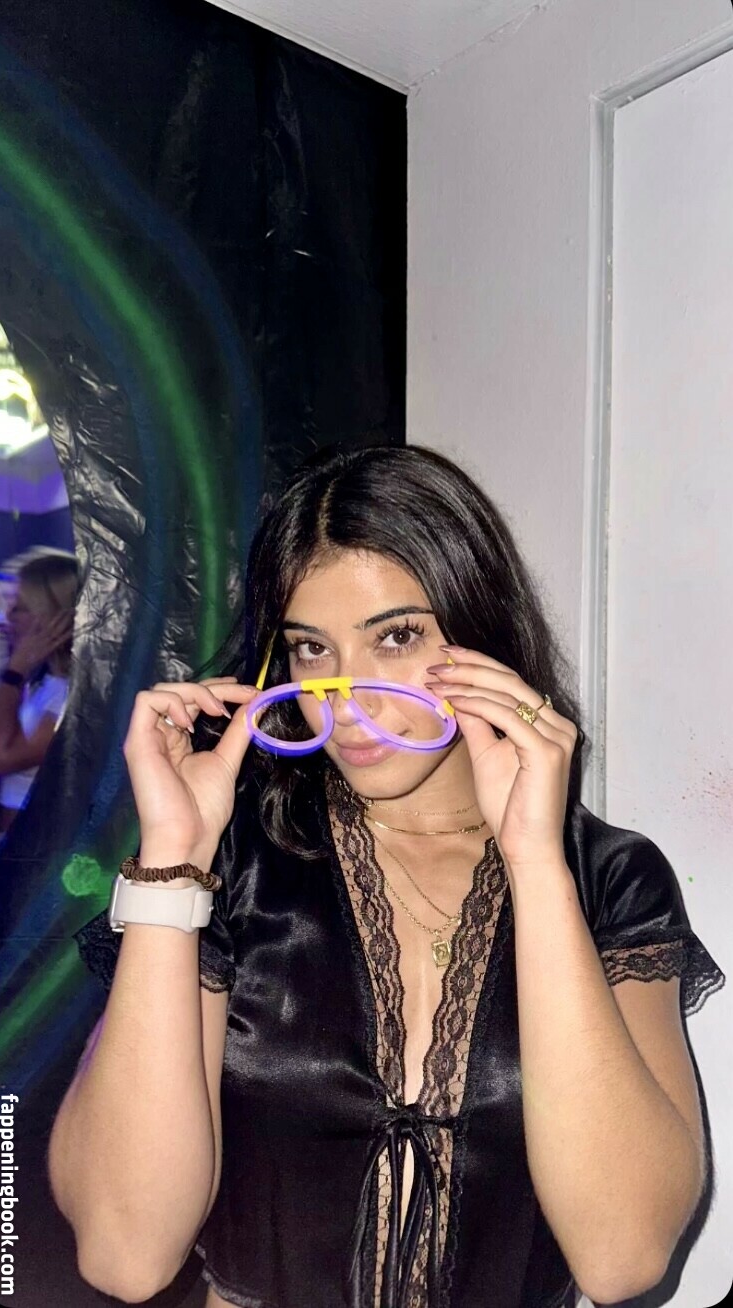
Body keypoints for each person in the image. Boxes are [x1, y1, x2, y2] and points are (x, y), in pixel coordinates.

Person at [48, 445, 724, 1308]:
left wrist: (535, 861)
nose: (346, 699)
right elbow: (125, 1253)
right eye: (310, 649)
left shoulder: (608, 879)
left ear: (482, 631)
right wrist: (171, 858)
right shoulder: (237, 865)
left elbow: (622, 1256)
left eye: (395, 637)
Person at [0, 551, 78, 837]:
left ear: (53, 615)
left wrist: (15, 670)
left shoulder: (69, 694)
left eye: (21, 608)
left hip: (36, 847)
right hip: (12, 841)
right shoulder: (48, 681)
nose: (9, 616)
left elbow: (1, 757)